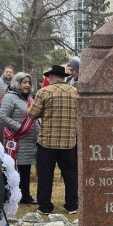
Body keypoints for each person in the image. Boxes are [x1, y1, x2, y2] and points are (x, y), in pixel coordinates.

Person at [28, 64, 78, 215]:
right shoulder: (75, 92)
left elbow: (32, 114)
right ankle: (72, 205)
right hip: (69, 141)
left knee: (45, 174)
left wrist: (30, 107)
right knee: (70, 174)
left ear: (50, 77)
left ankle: (45, 207)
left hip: (48, 142)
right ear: (63, 77)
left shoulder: (43, 92)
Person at [0, 72, 39, 204]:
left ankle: (25, 196)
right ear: (17, 83)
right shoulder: (10, 97)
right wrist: (19, 128)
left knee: (26, 169)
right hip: (16, 139)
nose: (27, 85)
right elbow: (3, 117)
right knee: (15, 169)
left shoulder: (29, 99)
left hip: (29, 141)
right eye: (24, 82)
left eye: (29, 82)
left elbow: (34, 118)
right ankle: (13, 195)